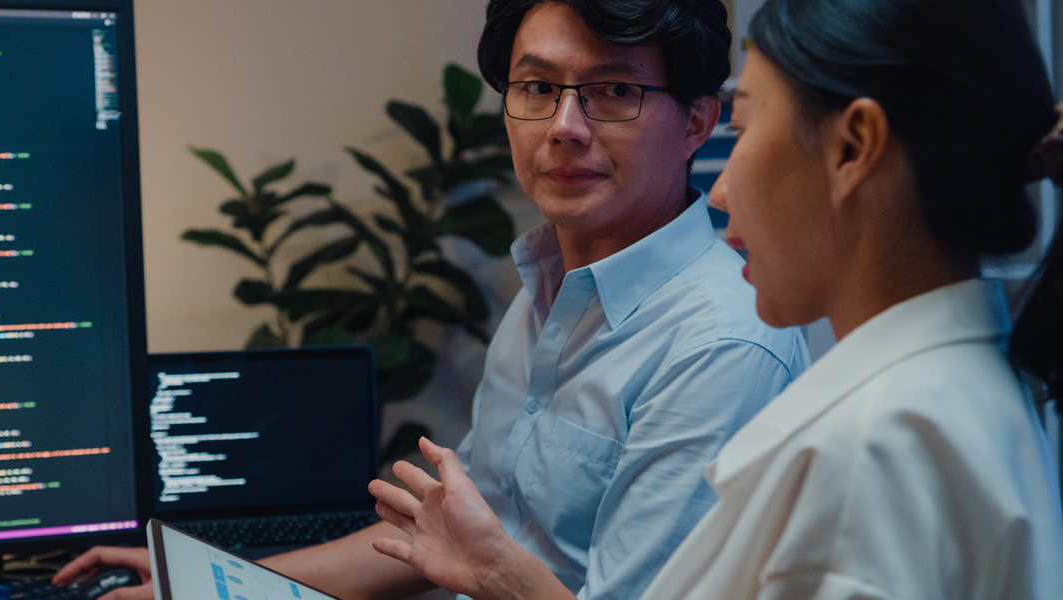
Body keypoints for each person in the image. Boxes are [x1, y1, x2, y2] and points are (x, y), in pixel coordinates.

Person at [56, 1, 809, 598]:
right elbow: (437, 539)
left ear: (699, 122)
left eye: (614, 91)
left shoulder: (721, 346)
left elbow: (479, 561)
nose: (563, 128)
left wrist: (491, 575)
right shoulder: (547, 288)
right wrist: (210, 588)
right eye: (538, 88)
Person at [369, 0, 1063, 597]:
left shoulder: (876, 450)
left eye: (744, 132)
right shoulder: (930, 402)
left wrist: (499, 576)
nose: (723, 191)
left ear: (854, 148)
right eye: (536, 87)